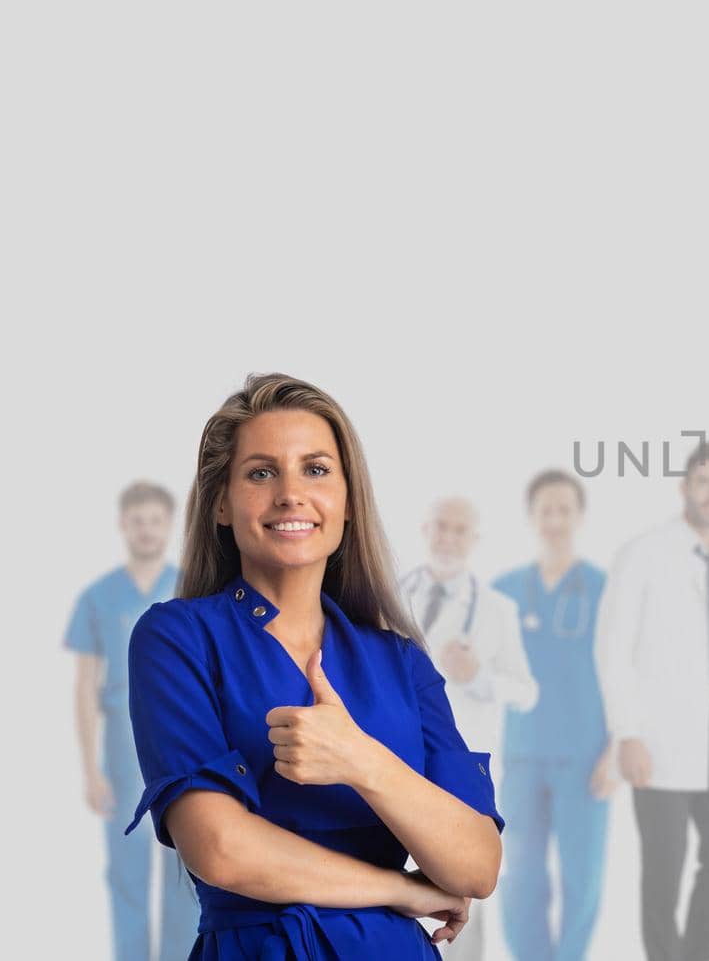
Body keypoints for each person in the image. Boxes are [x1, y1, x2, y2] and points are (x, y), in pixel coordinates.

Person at [123, 373, 504, 958]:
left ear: (349, 503)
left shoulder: (401, 662)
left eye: (317, 469)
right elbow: (219, 847)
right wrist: (396, 888)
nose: (290, 494)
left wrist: (360, 760)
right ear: (221, 504)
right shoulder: (178, 638)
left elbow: (475, 866)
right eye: (261, 472)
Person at [595, 440, 709, 961]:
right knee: (664, 868)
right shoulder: (644, 553)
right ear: (685, 487)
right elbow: (613, 648)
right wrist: (628, 734)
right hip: (658, 734)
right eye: (705, 482)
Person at [400, 496, 539, 960]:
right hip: (395, 759)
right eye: (441, 527)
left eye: (460, 530)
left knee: (460, 885)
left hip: (457, 767)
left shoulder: (497, 609)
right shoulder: (392, 594)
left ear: (475, 540)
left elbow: (526, 690)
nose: (448, 538)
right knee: (393, 879)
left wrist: (477, 674)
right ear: (425, 530)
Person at [67, 480, 200, 961]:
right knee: (126, 873)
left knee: (186, 866)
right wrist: (90, 769)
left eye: (155, 521)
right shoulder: (98, 597)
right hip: (121, 757)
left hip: (182, 745)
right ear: (124, 525)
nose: (146, 530)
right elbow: (85, 686)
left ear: (169, 526)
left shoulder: (190, 589)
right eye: (137, 521)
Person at [493, 469, 614, 961]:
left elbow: (629, 673)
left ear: (580, 516)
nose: (556, 519)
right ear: (531, 516)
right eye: (547, 509)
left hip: (586, 755)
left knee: (582, 875)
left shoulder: (606, 588)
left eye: (565, 509)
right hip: (522, 754)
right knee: (520, 874)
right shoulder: (503, 590)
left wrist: (616, 751)